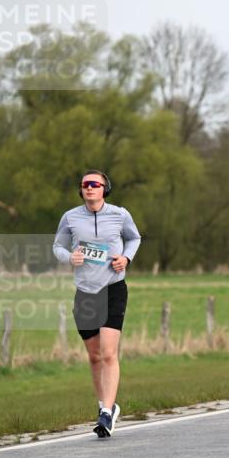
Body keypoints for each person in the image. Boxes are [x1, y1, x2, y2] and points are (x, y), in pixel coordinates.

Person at [53, 170, 142, 438]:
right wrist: (70, 257)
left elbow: (135, 238)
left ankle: (106, 413)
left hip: (113, 288)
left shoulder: (120, 214)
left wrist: (125, 259)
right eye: (85, 185)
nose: (89, 188)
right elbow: (57, 246)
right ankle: (106, 404)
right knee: (93, 357)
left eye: (95, 184)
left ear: (105, 188)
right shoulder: (70, 217)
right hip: (85, 292)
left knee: (108, 353)